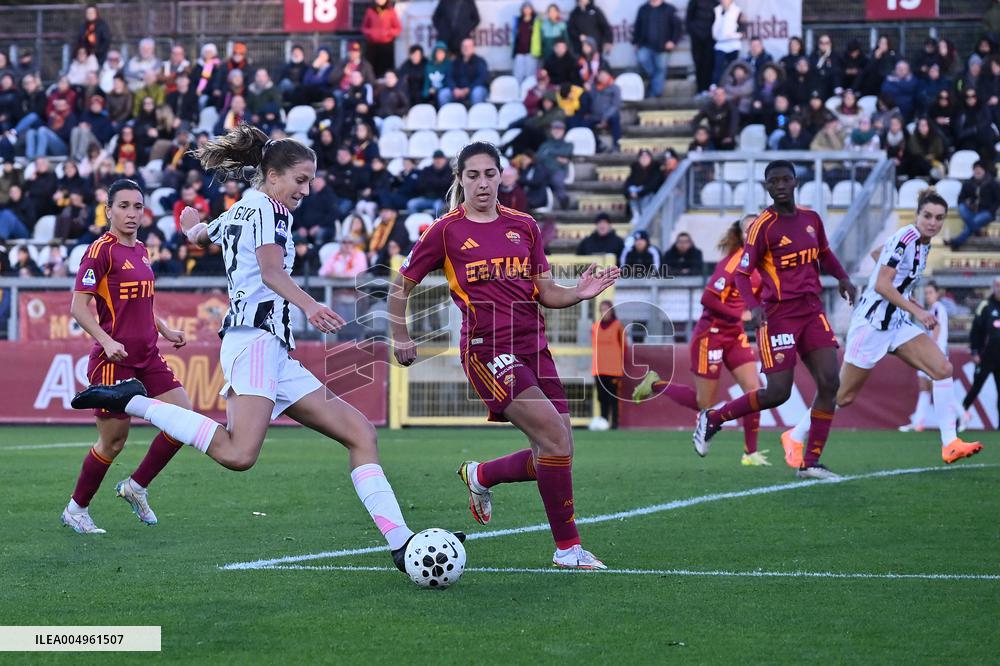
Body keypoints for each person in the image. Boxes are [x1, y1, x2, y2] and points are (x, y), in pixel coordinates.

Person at [73, 126, 439, 573]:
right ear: (271, 175)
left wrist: (191, 227)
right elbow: (269, 272)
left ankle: (401, 544)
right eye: (300, 180)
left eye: (310, 181)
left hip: (273, 350)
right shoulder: (265, 207)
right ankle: (130, 400)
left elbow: (204, 236)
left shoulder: (245, 207)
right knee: (238, 454)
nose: (306, 190)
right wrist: (311, 304)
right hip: (255, 341)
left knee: (361, 433)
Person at [390, 140, 619, 568]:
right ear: (460, 179)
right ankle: (568, 549)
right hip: (487, 350)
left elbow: (546, 292)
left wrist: (580, 293)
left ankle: (480, 475)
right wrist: (400, 335)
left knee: (557, 450)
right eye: (472, 175)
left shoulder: (525, 226)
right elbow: (400, 286)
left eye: (489, 174)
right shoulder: (445, 230)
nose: (482, 183)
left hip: (535, 347)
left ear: (502, 176)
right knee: (554, 440)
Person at [785, 190, 982, 465]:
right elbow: (881, 284)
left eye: (938, 218)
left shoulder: (923, 243)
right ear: (917, 215)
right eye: (927, 216)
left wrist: (906, 296)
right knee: (843, 396)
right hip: (872, 325)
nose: (933, 222)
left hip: (896, 323)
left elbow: (880, 254)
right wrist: (918, 310)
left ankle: (949, 443)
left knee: (943, 369)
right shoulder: (907, 237)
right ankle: (794, 435)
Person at [692, 160, 858, 479]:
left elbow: (824, 253)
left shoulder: (811, 219)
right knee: (778, 392)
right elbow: (742, 274)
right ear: (767, 187)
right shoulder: (762, 226)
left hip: (811, 311)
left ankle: (811, 462)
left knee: (830, 382)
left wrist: (843, 278)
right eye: (774, 181)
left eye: (786, 179)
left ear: (796, 182)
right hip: (779, 316)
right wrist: (754, 307)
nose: (780, 185)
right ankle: (714, 418)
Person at [60, 179, 191, 534]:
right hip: (113, 361)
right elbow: (78, 307)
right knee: (113, 441)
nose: (132, 213)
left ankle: (136, 487)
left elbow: (142, 302)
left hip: (148, 355)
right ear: (109, 211)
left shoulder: (142, 250)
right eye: (124, 206)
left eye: (137, 206)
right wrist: (104, 340)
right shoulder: (100, 250)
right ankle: (77, 509)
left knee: (184, 421)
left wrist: (164, 329)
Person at [634, 217, 769, 465]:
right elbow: (707, 299)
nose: (755, 231)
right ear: (742, 235)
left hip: (735, 335)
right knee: (704, 404)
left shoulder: (763, 262)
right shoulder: (733, 262)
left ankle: (750, 453)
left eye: (758, 226)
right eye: (749, 228)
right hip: (711, 335)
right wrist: (739, 314)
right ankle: (654, 384)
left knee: (755, 391)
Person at [900, 281, 968, 433]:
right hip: (934, 352)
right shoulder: (934, 309)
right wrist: (918, 307)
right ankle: (919, 420)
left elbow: (935, 327)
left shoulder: (938, 307)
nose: (928, 295)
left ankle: (962, 414)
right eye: (926, 293)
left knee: (934, 387)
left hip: (936, 352)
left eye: (930, 292)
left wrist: (929, 348)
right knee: (925, 387)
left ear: (937, 294)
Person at [962, 275, 1000, 426]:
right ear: (993, 287)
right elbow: (975, 330)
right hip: (985, 357)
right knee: (975, 389)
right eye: (997, 286)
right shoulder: (985, 305)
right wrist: (974, 351)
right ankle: (959, 419)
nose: (999, 289)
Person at [633, 0, 682, 99]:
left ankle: (655, 95)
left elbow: (678, 27)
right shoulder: (643, 9)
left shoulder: (669, 9)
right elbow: (637, 26)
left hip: (662, 47)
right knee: (644, 60)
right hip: (645, 45)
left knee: (660, 69)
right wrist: (636, 42)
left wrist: (673, 41)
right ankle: (655, 85)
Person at [591, 300, 625, 430]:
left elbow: (623, 346)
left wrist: (620, 363)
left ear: (612, 310)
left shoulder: (618, 326)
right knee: (601, 398)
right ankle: (603, 422)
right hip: (598, 369)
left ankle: (615, 424)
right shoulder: (595, 327)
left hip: (613, 369)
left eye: (607, 309)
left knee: (613, 398)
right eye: (602, 309)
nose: (604, 312)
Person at [951, 160, 1000, 249]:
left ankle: (956, 241)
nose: (977, 171)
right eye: (975, 169)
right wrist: (966, 202)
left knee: (976, 220)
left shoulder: (993, 183)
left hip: (986, 212)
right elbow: (960, 199)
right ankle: (976, 230)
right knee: (961, 207)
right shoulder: (967, 184)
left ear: (984, 170)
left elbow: (997, 200)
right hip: (971, 211)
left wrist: (992, 211)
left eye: (979, 169)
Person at [439, 38, 489, 106]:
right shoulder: (455, 62)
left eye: (468, 46)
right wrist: (454, 89)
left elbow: (482, 78)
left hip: (473, 89)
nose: (466, 48)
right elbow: (448, 77)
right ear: (461, 48)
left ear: (473, 48)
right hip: (457, 91)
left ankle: (477, 115)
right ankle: (446, 116)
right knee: (443, 94)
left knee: (477, 92)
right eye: (464, 46)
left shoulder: (479, 61)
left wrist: (468, 89)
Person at [361, 0, 401, 78]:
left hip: (386, 45)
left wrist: (388, 33)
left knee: (385, 68)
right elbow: (364, 28)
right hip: (372, 45)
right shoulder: (370, 11)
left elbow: (398, 28)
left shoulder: (391, 11)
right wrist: (372, 33)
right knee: (371, 68)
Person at [624, 148, 664, 221]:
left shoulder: (655, 171)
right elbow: (627, 185)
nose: (644, 159)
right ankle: (636, 214)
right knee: (632, 194)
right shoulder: (634, 171)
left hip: (650, 197)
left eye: (646, 157)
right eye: (642, 157)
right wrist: (630, 193)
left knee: (647, 197)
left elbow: (652, 186)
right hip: (637, 197)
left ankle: (645, 215)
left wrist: (640, 193)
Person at [711, 0, 745, 86]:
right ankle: (715, 87)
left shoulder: (737, 11)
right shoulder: (717, 10)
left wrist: (733, 35)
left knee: (733, 67)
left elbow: (742, 29)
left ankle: (733, 86)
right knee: (718, 67)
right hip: (720, 44)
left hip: (733, 44)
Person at [686, 0, 716, 94]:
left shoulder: (715, 3)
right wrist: (694, 33)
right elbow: (689, 19)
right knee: (698, 64)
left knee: (709, 64)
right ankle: (700, 89)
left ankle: (707, 89)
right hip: (697, 38)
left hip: (710, 38)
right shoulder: (694, 2)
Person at [512, 2, 543, 84]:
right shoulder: (518, 20)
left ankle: (529, 94)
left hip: (531, 52)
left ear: (532, 9)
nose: (527, 10)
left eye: (528, 8)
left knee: (530, 76)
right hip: (519, 51)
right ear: (522, 10)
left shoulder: (536, 21)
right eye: (525, 8)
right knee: (518, 75)